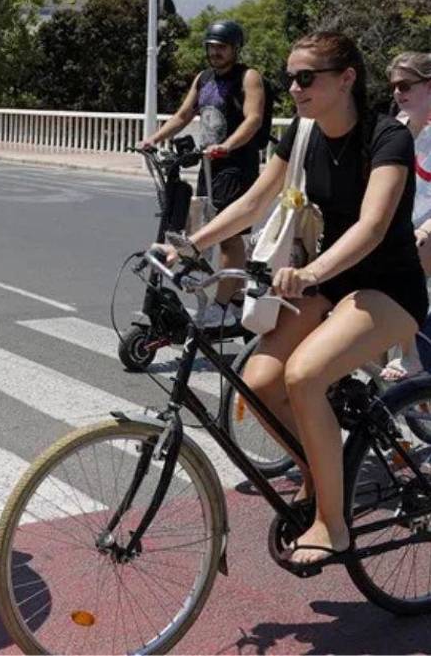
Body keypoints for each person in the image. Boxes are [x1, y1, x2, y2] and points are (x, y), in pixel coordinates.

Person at [157, 30, 425, 570]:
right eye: (289, 78)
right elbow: (257, 200)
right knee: (257, 385)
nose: (295, 88)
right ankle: (319, 473)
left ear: (346, 78)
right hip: (326, 284)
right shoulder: (301, 133)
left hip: (388, 288)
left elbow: (372, 228)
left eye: (307, 77)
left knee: (303, 376)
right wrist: (192, 243)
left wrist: (309, 272)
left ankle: (334, 525)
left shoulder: (386, 137)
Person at [139, 20, 267, 327]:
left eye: (221, 48)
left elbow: (253, 119)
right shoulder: (203, 79)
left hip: (236, 165)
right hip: (209, 164)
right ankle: (234, 299)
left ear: (235, 49)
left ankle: (221, 307)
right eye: (211, 47)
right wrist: (153, 139)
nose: (215, 53)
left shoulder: (248, 77)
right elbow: (184, 115)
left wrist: (228, 145)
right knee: (201, 228)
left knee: (229, 237)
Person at [378, 51, 431, 380]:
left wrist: (426, 228)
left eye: (406, 84)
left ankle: (411, 357)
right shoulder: (397, 128)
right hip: (409, 223)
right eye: (394, 87)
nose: (398, 92)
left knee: (403, 267)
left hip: (426, 227)